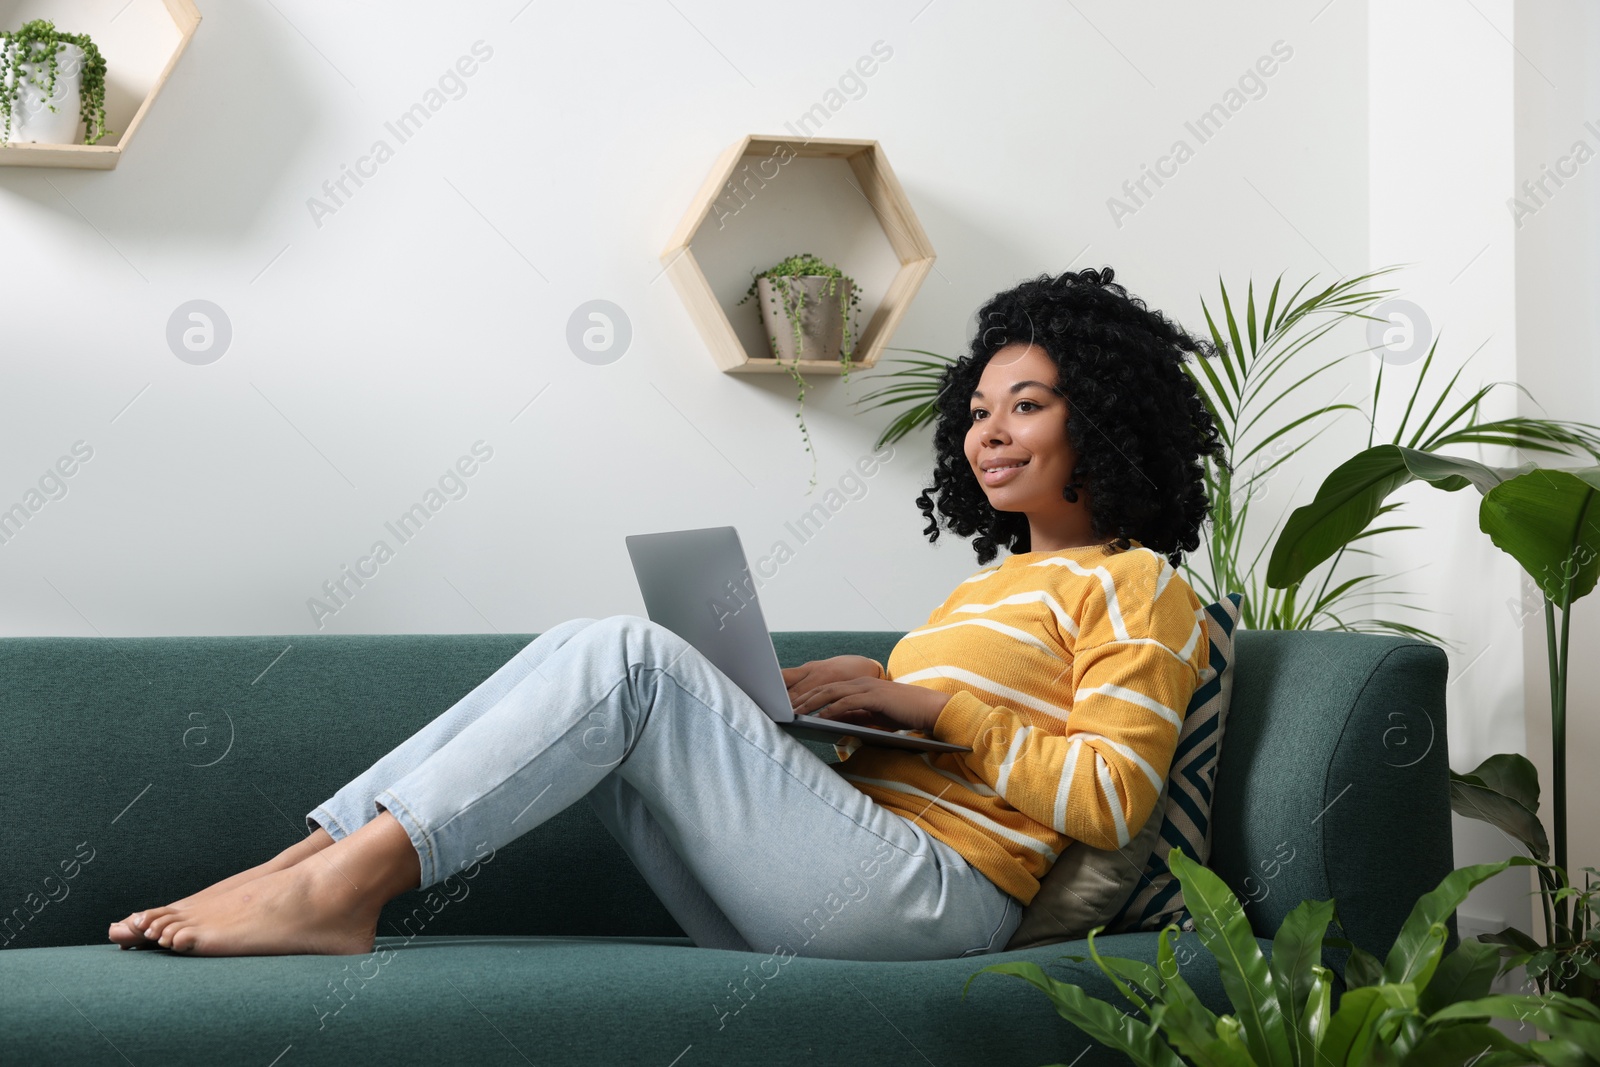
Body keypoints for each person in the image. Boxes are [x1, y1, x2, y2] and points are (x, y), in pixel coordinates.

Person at [107, 265, 1228, 961]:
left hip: (937, 902)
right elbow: (952, 740)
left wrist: (928, 706)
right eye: (977, 410)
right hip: (860, 873)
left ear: (1108, 420)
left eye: (1026, 405)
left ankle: (338, 891)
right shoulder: (980, 590)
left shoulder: (1138, 586)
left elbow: (1110, 794)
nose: (988, 431)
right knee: (579, 660)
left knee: (623, 657)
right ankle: (295, 867)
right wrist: (837, 722)